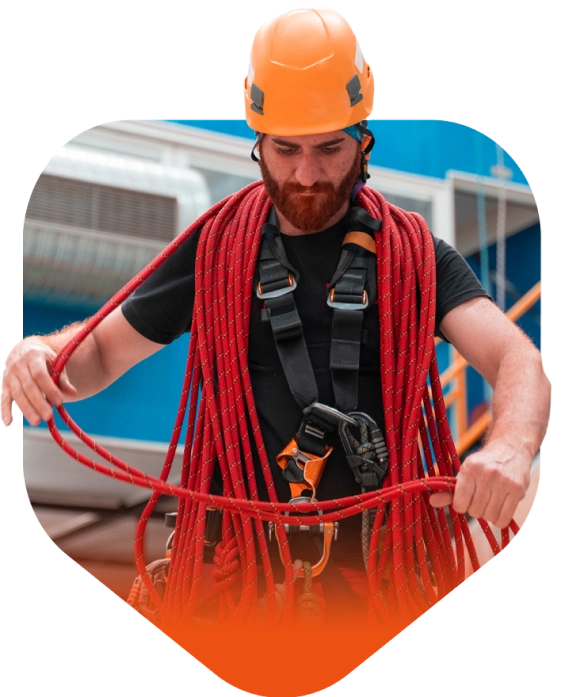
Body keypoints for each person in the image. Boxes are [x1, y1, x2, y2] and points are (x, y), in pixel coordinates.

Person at [3, 8, 550, 628]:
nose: (306, 174)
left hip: (375, 580)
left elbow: (518, 359)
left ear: (364, 140)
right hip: (231, 581)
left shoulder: (416, 257)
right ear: (257, 142)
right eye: (285, 149)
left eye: (329, 149)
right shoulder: (215, 250)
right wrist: (43, 353)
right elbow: (100, 353)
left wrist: (510, 448)